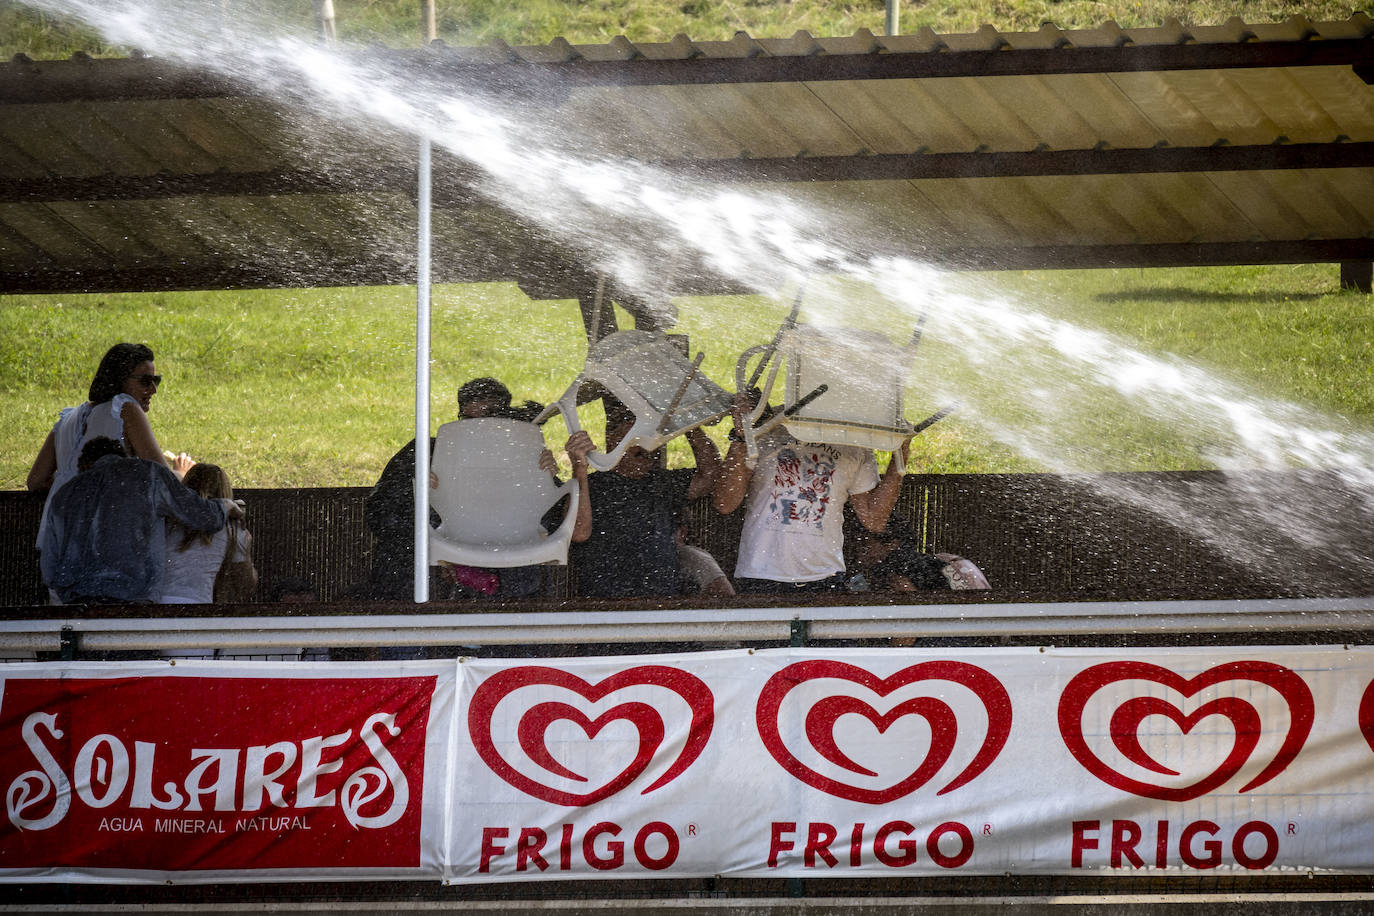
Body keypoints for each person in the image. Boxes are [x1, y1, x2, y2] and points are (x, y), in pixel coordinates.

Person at [364, 377, 557, 600]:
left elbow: (550, 524)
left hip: (505, 576)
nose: (476, 428)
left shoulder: (521, 453)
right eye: (468, 419)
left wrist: (545, 477)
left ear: (505, 419)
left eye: (487, 418)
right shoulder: (424, 452)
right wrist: (414, 490)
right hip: (430, 577)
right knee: (404, 555)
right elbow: (379, 517)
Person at [713, 393, 912, 593]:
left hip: (825, 577)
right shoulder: (765, 426)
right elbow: (724, 503)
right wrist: (741, 436)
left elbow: (874, 519)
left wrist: (901, 450)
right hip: (759, 575)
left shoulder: (854, 438)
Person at [28, 343, 192, 556]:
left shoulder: (68, 418)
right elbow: (161, 477)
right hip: (104, 543)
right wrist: (182, 473)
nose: (153, 389)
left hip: (58, 544)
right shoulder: (125, 407)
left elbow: (36, 481)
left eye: (155, 380)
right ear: (119, 380)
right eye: (145, 381)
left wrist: (76, 487)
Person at [40, 437, 236, 605]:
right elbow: (200, 515)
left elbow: (48, 569)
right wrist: (225, 506)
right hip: (134, 602)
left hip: (79, 605)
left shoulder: (64, 495)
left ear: (84, 467)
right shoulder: (147, 474)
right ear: (125, 458)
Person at [568, 398, 721, 598]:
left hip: (662, 604)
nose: (649, 447)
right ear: (613, 440)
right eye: (637, 438)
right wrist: (579, 467)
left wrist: (688, 426)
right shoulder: (592, 485)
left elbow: (712, 476)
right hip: (605, 605)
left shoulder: (662, 482)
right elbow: (578, 532)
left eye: (652, 438)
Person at [159, 463, 257, 605]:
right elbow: (245, 585)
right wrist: (246, 551)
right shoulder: (232, 529)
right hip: (198, 606)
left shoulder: (166, 519)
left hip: (156, 606)